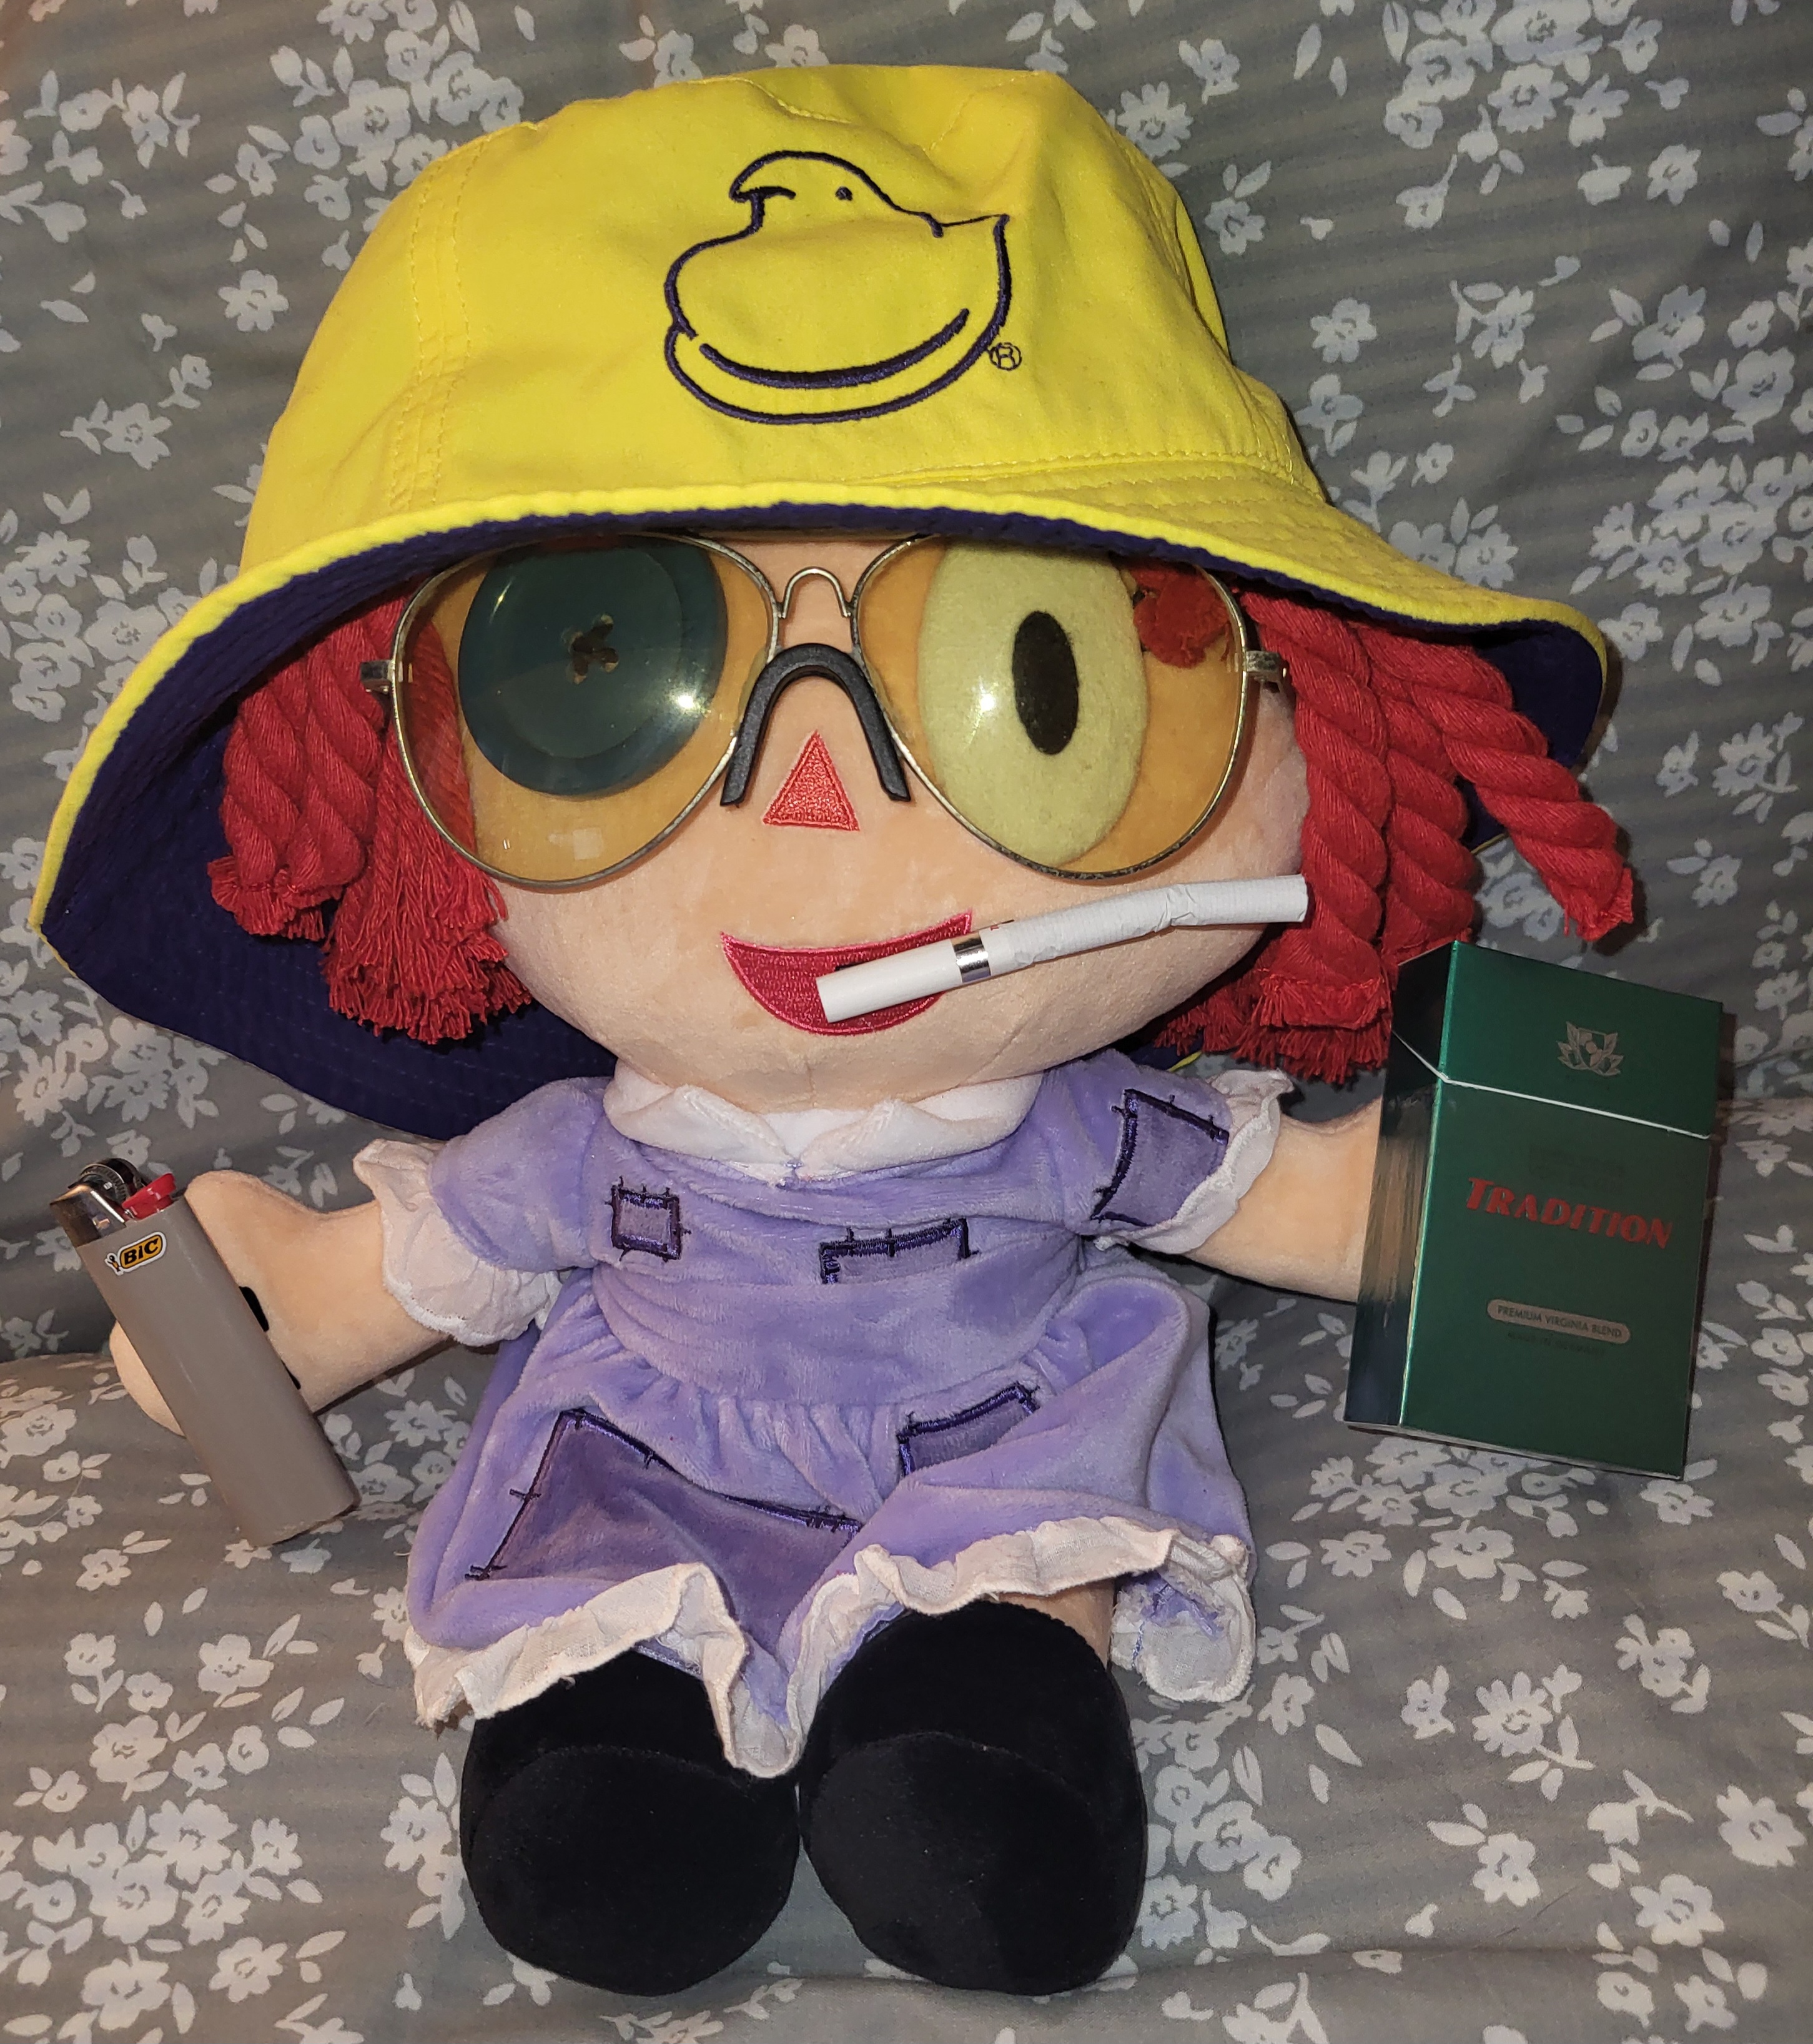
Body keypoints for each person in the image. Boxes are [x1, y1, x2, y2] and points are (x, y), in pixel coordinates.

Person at [32, 66, 1628, 1998]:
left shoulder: (1068, 1125)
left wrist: (1487, 1208)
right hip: (648, 1441)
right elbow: (406, 1267)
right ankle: (621, 1720)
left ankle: (992, 1687)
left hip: (1001, 1430)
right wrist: (269, 1312)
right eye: (597, 670)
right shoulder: (580, 1159)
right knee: (601, 1796)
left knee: (982, 1781)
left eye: (1039, 677)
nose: (816, 801)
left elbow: (1286, 1195)